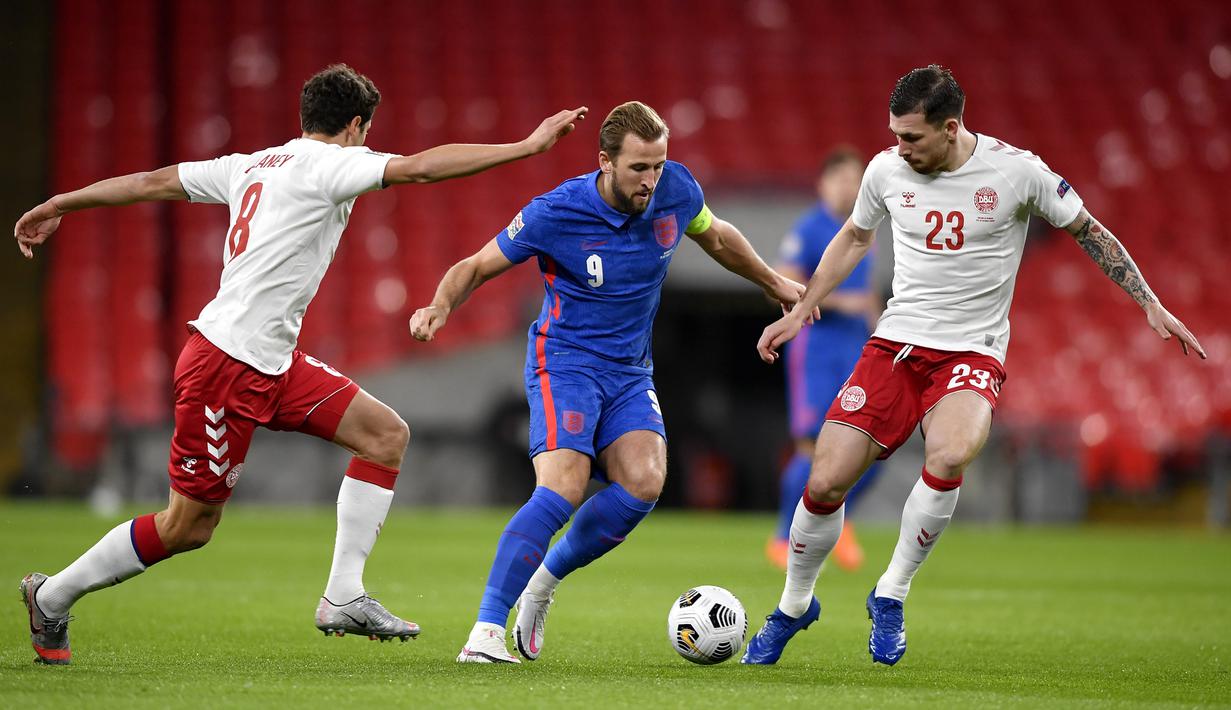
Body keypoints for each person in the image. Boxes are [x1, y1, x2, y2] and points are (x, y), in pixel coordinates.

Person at [14, 63, 586, 665]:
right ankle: (52, 596)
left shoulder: (252, 163)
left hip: (273, 363)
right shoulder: (330, 164)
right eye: (367, 132)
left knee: (384, 435)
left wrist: (61, 202)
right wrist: (526, 147)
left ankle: (343, 594)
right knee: (189, 527)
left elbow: (153, 181)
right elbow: (419, 167)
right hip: (225, 365)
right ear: (357, 126)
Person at [743, 65, 1205, 667]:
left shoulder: (1017, 172)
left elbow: (1088, 231)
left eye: (911, 138)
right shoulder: (886, 171)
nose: (898, 149)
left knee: (952, 451)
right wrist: (801, 306)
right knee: (826, 478)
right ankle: (795, 605)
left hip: (971, 350)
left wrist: (1149, 302)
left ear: (951, 127)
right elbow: (855, 238)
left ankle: (891, 592)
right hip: (897, 345)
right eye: (894, 135)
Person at [409, 101, 812, 664]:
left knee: (645, 482)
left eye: (658, 165)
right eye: (638, 169)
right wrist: (438, 306)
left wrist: (772, 281)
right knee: (562, 488)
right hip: (565, 362)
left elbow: (716, 236)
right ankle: (483, 633)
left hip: (629, 371)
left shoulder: (676, 190)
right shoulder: (557, 212)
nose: (651, 180)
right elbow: (476, 265)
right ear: (605, 162)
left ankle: (541, 585)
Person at [767, 147, 881, 572]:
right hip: (815, 350)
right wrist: (842, 302)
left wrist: (875, 322)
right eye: (842, 179)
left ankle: (837, 515)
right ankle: (784, 537)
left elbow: (866, 298)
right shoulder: (810, 228)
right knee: (812, 447)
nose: (850, 187)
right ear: (824, 183)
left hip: (856, 350)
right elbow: (785, 280)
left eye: (856, 179)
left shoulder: (863, 228)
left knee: (873, 448)